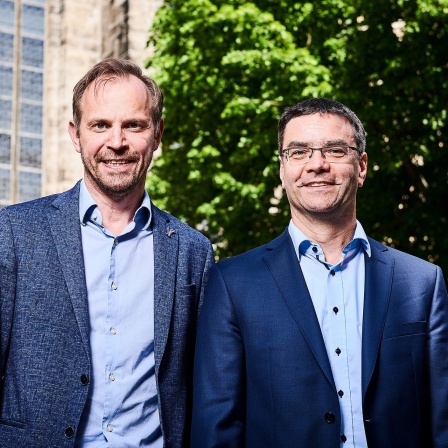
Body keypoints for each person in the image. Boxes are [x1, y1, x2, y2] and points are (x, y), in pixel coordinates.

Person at [191, 98, 448, 448]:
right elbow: (216, 430)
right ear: (283, 170)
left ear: (361, 166)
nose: (317, 165)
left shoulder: (422, 283)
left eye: (335, 150)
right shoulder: (232, 284)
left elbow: (441, 423)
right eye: (298, 152)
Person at [0, 58, 213, 447]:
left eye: (134, 125)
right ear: (76, 135)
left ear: (158, 134)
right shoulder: (13, 232)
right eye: (100, 125)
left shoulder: (192, 251)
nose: (117, 141)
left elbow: (199, 387)